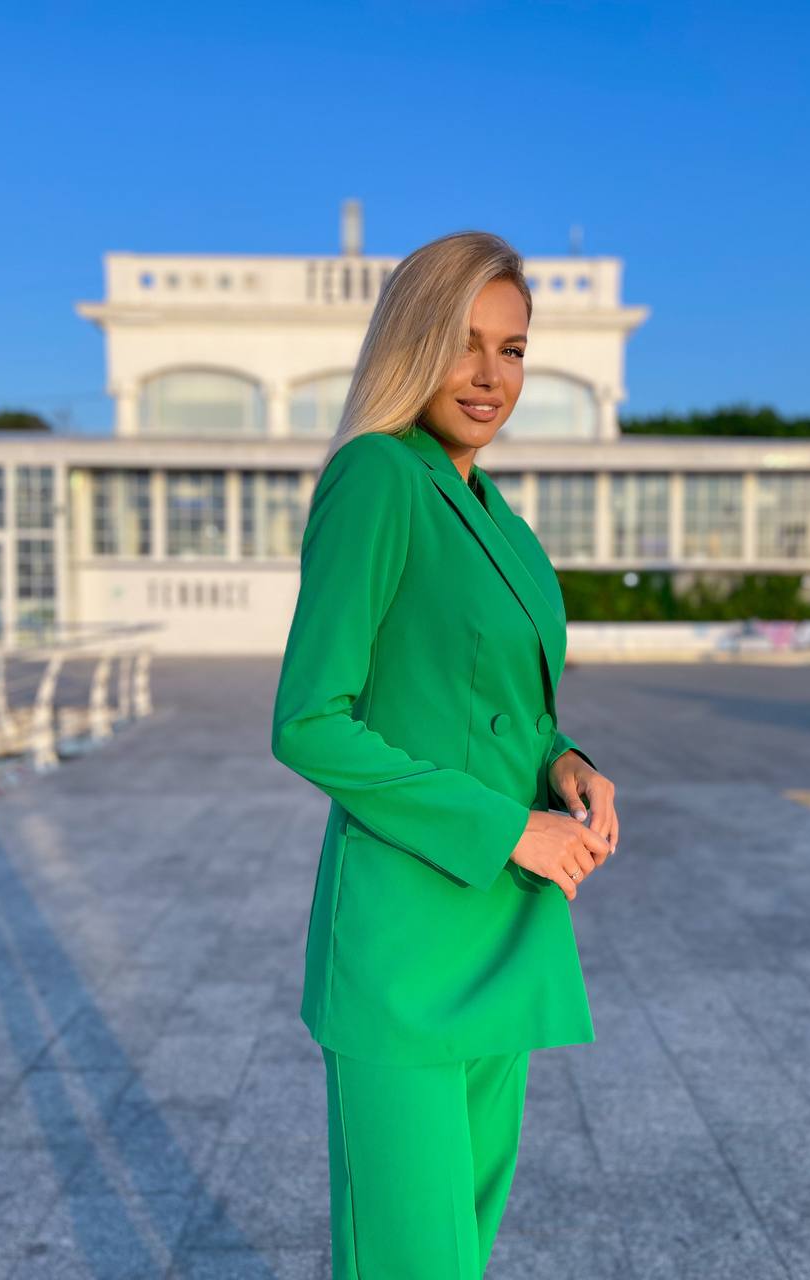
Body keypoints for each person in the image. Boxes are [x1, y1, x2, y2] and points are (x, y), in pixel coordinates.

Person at [270, 229, 620, 1278]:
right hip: (406, 948)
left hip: (502, 936)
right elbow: (309, 718)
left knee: (455, 1250)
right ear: (411, 342)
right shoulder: (378, 476)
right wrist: (512, 824)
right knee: (414, 1259)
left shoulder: (498, 517)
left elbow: (508, 704)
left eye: (512, 349)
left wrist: (569, 765)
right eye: (465, 342)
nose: (489, 375)